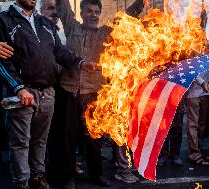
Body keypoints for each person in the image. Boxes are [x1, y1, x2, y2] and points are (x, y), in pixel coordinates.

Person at [0, 0, 95, 188]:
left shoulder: (45, 23)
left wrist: (81, 63)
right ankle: (22, 182)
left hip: (48, 93)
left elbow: (61, 52)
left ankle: (38, 176)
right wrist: (19, 88)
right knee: (21, 142)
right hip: (23, 92)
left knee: (40, 141)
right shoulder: (4, 20)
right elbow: (1, 62)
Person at [47, 0, 144, 187]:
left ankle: (96, 174)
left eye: (96, 12)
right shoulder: (71, 25)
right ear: (82, 13)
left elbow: (127, 17)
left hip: (93, 93)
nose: (93, 15)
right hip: (68, 90)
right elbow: (63, 5)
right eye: (89, 11)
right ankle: (68, 177)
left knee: (94, 137)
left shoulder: (106, 32)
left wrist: (142, 2)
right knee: (69, 138)